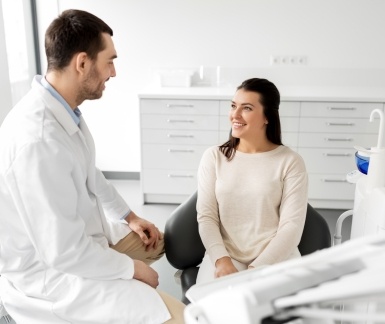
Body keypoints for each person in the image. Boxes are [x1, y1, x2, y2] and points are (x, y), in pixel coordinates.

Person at [0, 9, 185, 324]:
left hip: (80, 242)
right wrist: (133, 270)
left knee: (156, 241)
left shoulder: (63, 111)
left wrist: (130, 217)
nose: (113, 72)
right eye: (109, 61)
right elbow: (63, 252)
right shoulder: (38, 141)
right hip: (51, 277)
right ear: (82, 63)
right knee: (176, 316)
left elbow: (90, 173)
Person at [196, 78, 308, 284]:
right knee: (209, 311)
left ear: (267, 116)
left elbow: (291, 227)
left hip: (276, 257)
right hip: (225, 257)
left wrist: (256, 269)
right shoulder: (213, 157)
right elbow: (206, 217)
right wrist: (221, 260)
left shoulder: (290, 162)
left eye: (246, 108)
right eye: (233, 106)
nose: (235, 115)